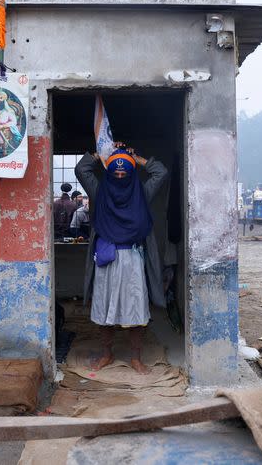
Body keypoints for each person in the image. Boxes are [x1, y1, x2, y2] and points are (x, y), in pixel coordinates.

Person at [75, 144, 168, 375]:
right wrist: (102, 154)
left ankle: (135, 358)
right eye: (114, 172)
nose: (119, 176)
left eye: (124, 172)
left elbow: (161, 172)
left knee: (135, 309)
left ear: (132, 172)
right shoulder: (98, 191)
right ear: (108, 173)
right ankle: (107, 354)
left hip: (133, 259)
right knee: (104, 308)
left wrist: (134, 157)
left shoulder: (143, 193)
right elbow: (81, 169)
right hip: (107, 258)